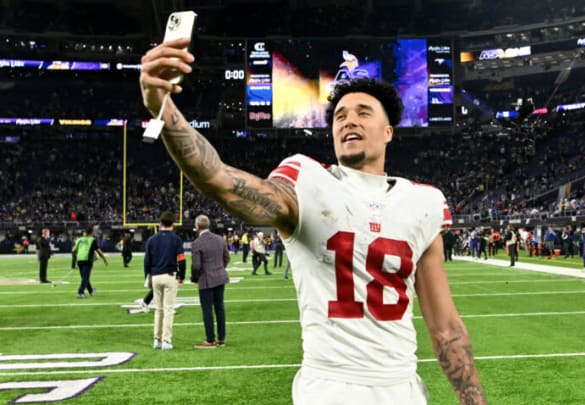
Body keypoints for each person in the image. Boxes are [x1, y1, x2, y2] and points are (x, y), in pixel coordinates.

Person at [140, 42, 485, 404]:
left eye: (364, 112)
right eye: (339, 116)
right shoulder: (306, 180)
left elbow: (445, 327)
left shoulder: (422, 202)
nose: (349, 119)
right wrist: (162, 108)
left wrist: (473, 400)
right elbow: (220, 181)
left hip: (403, 389)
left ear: (388, 131)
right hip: (330, 389)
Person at [144, 211, 186, 350]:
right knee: (168, 310)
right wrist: (182, 276)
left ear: (160, 223)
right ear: (173, 224)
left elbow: (147, 261)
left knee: (158, 309)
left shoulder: (151, 240)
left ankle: (157, 339)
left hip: (155, 276)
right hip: (169, 275)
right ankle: (166, 340)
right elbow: (181, 260)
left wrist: (148, 277)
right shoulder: (176, 240)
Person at [190, 214, 230, 348]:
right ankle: (221, 338)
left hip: (206, 279)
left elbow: (196, 266)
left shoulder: (197, 243)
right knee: (220, 308)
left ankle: (210, 339)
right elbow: (226, 257)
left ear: (197, 227)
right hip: (220, 277)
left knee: (207, 310)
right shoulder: (220, 239)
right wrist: (219, 269)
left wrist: (194, 278)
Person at [72, 226, 108, 298]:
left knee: (84, 277)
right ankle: (80, 292)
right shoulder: (92, 240)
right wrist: (104, 259)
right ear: (92, 232)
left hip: (79, 260)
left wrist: (79, 254)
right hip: (87, 260)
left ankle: (91, 290)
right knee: (85, 278)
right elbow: (98, 251)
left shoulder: (79, 239)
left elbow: (73, 250)